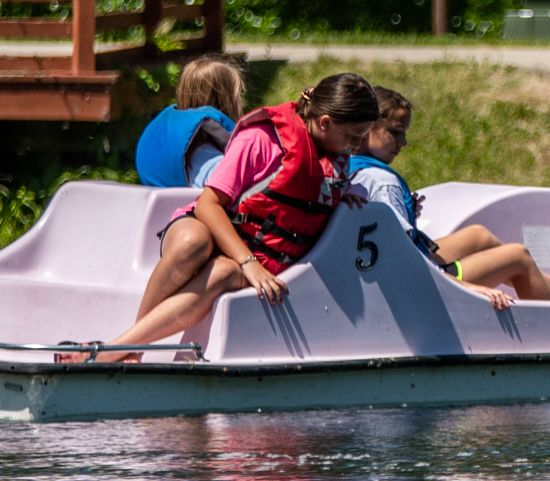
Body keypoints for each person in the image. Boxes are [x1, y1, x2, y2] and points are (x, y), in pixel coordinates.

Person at [64, 73, 378, 362]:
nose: (356, 146)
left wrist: (346, 195)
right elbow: (208, 205)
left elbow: (319, 194)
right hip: (209, 229)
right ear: (324, 122)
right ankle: (128, 349)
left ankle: (123, 349)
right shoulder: (261, 140)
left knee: (224, 273)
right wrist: (248, 262)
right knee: (192, 243)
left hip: (250, 257)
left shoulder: (335, 159)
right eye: (354, 136)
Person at [345, 87, 550, 306]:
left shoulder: (351, 166)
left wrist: (406, 209)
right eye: (396, 131)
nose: (404, 142)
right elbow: (405, 260)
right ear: (367, 128)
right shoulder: (382, 182)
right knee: (518, 256)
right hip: (423, 282)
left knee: (479, 235)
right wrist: (468, 288)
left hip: (389, 265)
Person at [135, 55, 245, 189]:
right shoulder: (209, 161)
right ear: (224, 103)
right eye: (238, 95)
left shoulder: (181, 151)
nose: (242, 102)